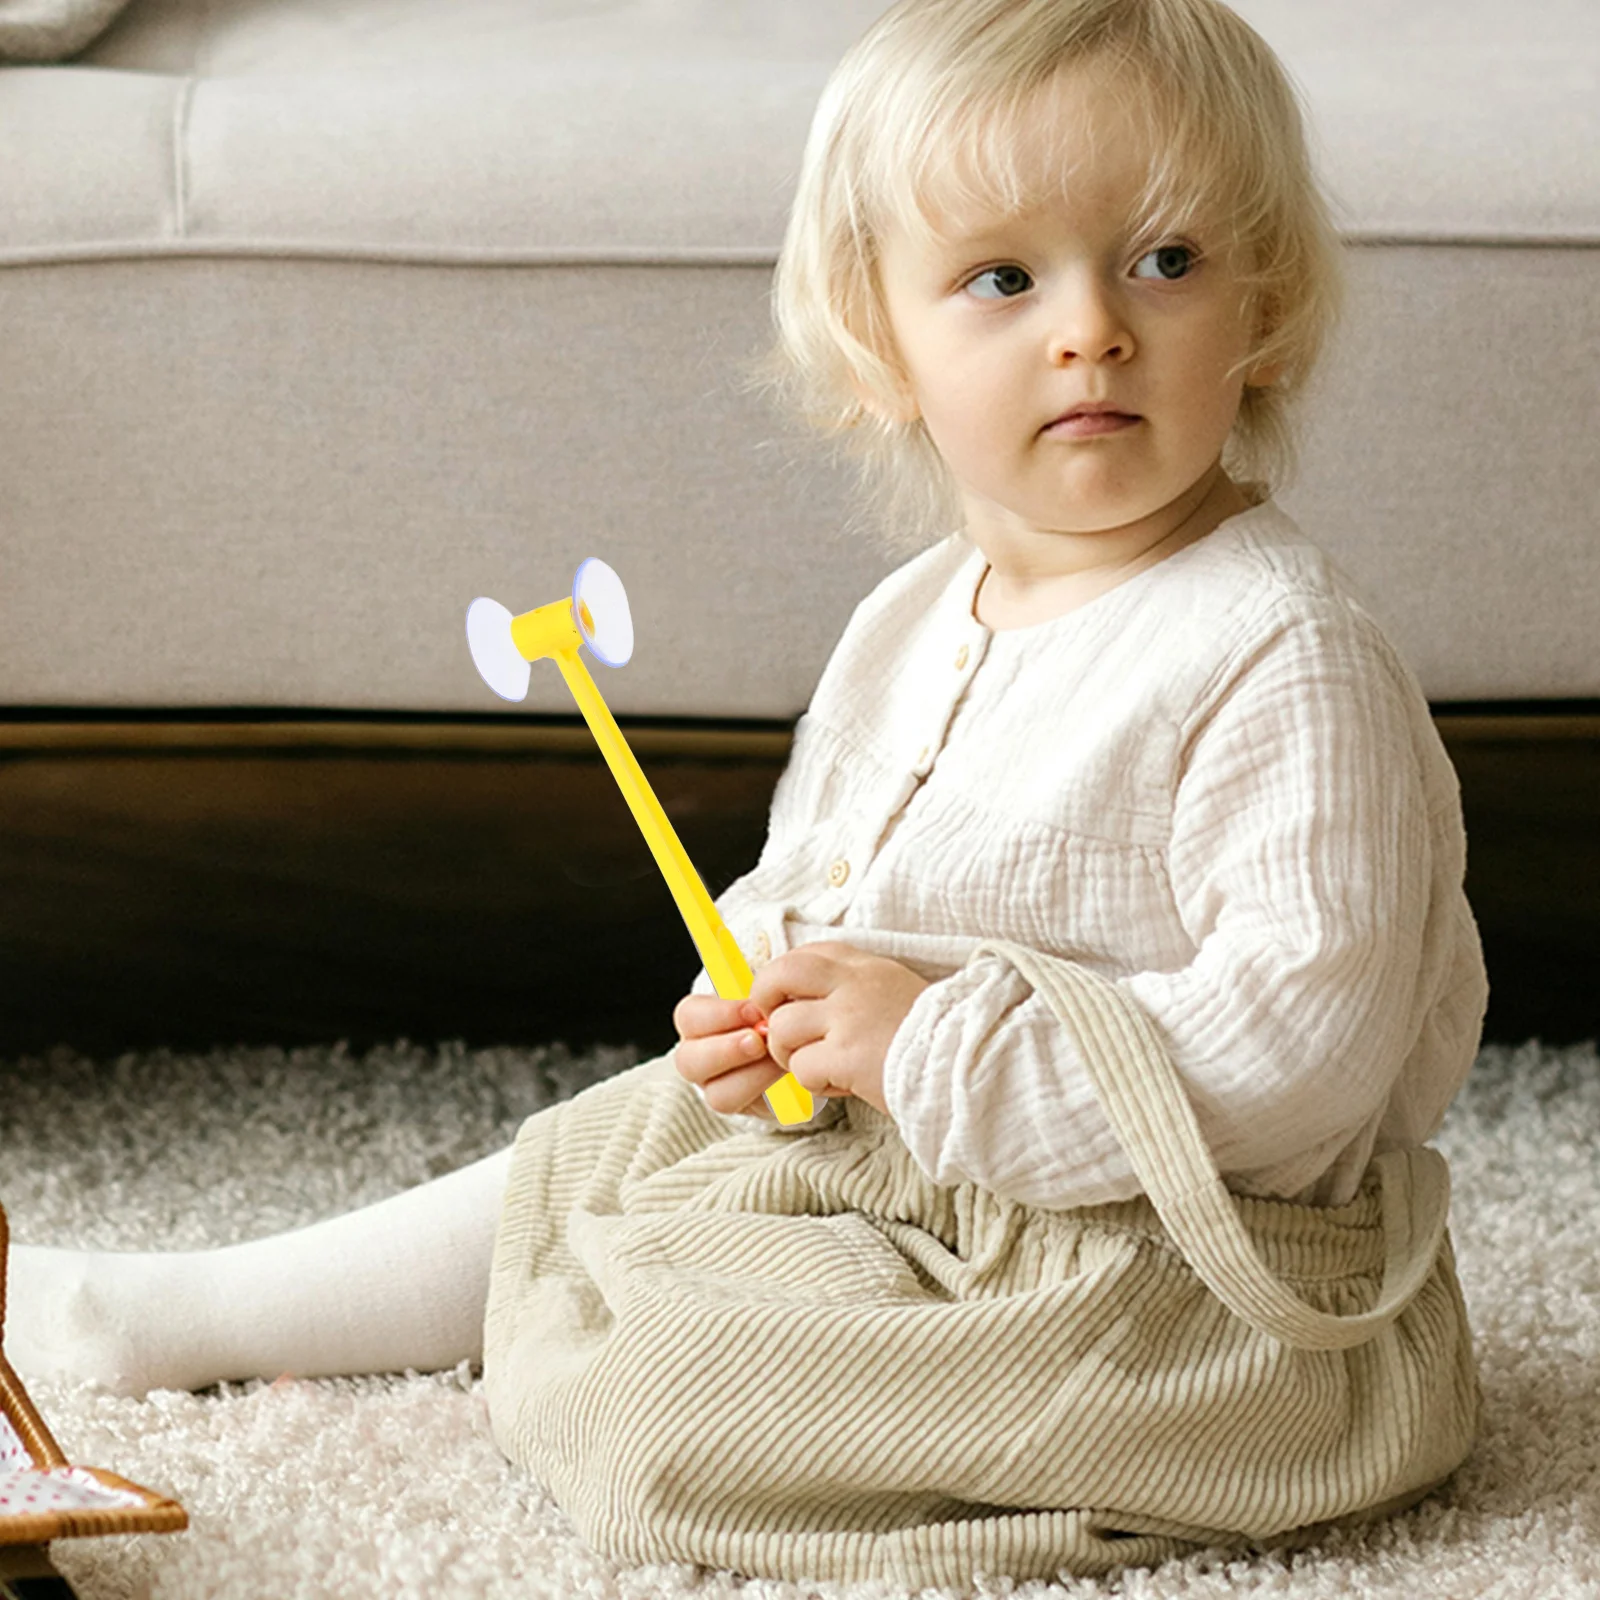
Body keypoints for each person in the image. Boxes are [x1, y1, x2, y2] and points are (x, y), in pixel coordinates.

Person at [5, 0, 1489, 1584]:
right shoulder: (916, 615)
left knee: (662, 1398)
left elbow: (1303, 1053)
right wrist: (767, 981)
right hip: (918, 1165)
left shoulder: (1281, 651)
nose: (1092, 329)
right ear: (883, 345)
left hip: (1180, 1273)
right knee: (605, 1151)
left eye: (1166, 261)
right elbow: (826, 868)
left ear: (1265, 308)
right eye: (1004, 279)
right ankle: (190, 1310)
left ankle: (657, 1356)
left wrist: (930, 1046)